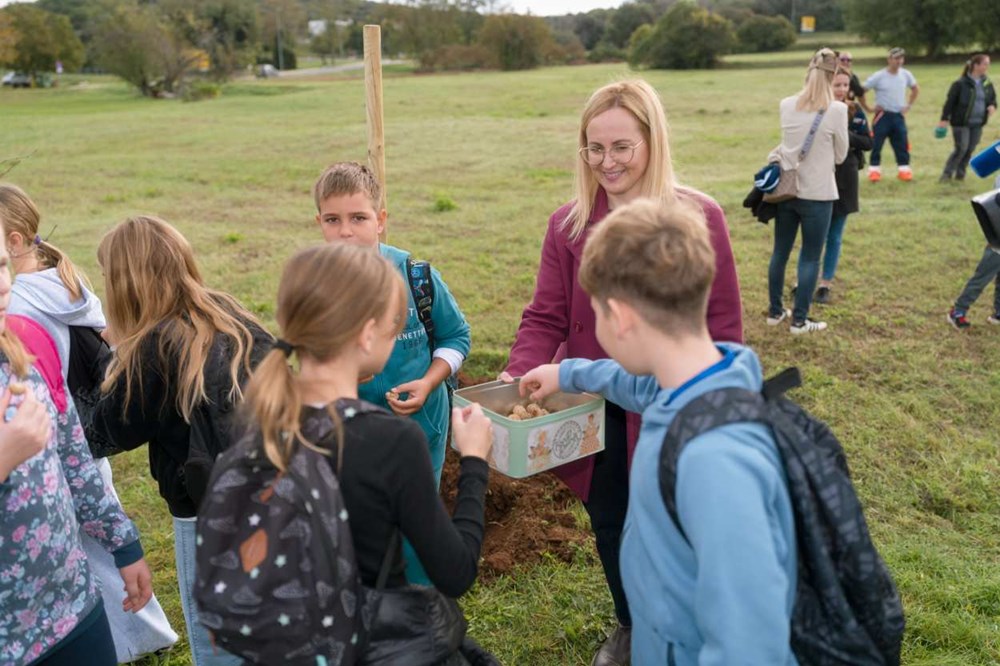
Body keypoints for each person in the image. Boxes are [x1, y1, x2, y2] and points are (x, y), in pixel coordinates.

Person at [501, 79, 743, 666]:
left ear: (651, 140)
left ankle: (692, 627)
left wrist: (718, 404)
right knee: (611, 519)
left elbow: (724, 320)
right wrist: (515, 379)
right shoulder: (568, 226)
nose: (607, 162)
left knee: (676, 519)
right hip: (590, 401)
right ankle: (632, 624)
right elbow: (546, 314)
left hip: (671, 401)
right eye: (594, 147)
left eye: (622, 147)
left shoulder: (697, 216)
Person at [519, 198, 796, 665]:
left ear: (621, 318)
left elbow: (751, 640)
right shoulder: (689, 384)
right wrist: (567, 373)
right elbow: (632, 383)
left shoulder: (713, 462)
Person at [240, 242, 494, 663]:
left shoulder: (261, 421)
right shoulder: (390, 442)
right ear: (366, 335)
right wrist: (474, 462)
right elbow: (456, 572)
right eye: (394, 330)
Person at [0, 183, 178, 663]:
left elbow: (74, 458)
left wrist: (124, 543)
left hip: (73, 608)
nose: (1, 283)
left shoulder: (20, 356)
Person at [84, 216, 273, 666]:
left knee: (219, 647)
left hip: (205, 518)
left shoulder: (156, 348)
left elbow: (99, 435)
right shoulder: (232, 314)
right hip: (272, 497)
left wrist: (106, 355)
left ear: (127, 285)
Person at [312, 161, 472, 586]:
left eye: (359, 218)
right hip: (350, 443)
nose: (346, 232)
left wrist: (430, 380)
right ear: (319, 223)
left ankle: (420, 606)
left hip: (423, 433)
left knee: (417, 524)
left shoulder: (417, 278)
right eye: (333, 220)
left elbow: (456, 338)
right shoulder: (316, 288)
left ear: (381, 220)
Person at [766, 48, 848, 333]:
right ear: (832, 75)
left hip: (787, 192)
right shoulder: (838, 110)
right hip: (819, 194)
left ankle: (775, 312)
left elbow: (786, 144)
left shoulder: (786, 104)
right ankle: (799, 320)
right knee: (811, 257)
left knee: (780, 252)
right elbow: (841, 155)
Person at [816, 70, 873, 304]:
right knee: (814, 234)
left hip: (846, 177)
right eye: (836, 85)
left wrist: (844, 134)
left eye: (845, 85)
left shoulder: (855, 111)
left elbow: (868, 142)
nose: (841, 89)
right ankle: (803, 280)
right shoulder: (816, 109)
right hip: (819, 175)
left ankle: (825, 284)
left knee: (835, 234)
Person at [938, 54, 997, 183]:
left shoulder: (987, 83)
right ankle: (946, 175)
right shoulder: (960, 84)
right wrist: (944, 119)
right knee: (961, 148)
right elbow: (949, 103)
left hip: (978, 123)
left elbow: (992, 99)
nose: (987, 67)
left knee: (970, 149)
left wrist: (992, 106)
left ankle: (960, 175)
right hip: (961, 122)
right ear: (976, 65)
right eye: (985, 64)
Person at [864, 47, 919, 182]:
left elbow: (915, 88)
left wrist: (909, 105)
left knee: (902, 143)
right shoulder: (879, 76)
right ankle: (874, 171)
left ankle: (904, 170)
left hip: (898, 115)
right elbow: (862, 90)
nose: (899, 61)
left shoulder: (905, 74)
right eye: (896, 58)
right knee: (877, 144)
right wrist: (868, 108)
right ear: (889, 60)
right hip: (882, 115)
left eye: (901, 58)